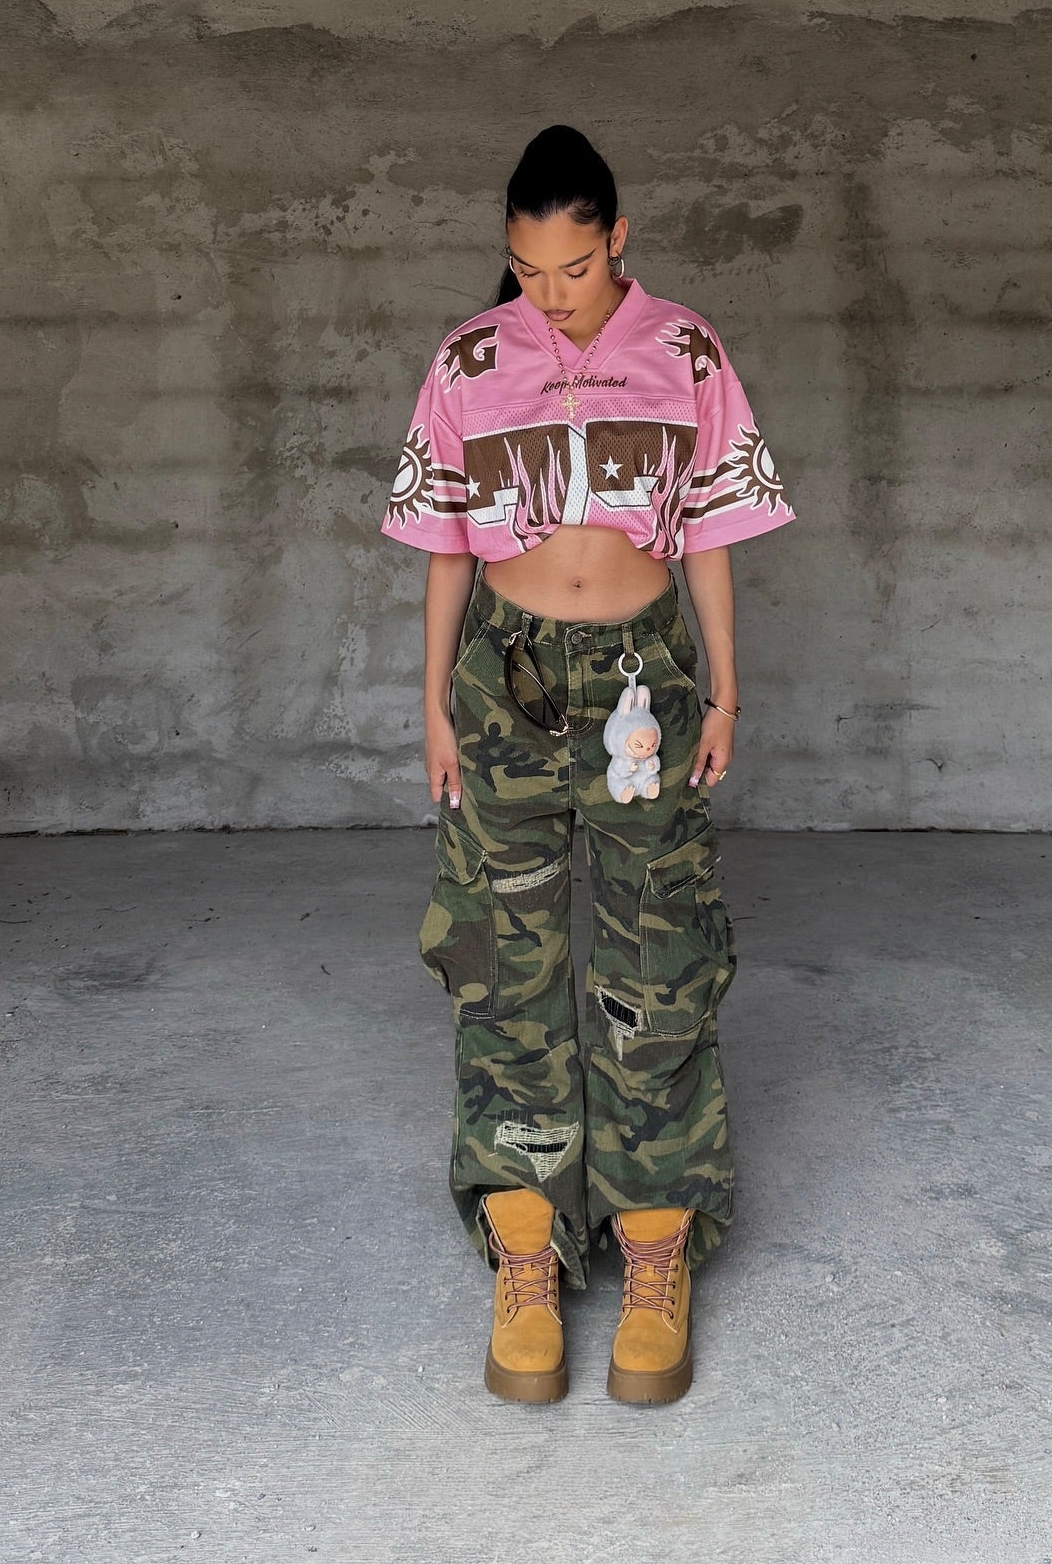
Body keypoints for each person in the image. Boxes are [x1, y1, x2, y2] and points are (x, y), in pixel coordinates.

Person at [380, 124, 796, 1404]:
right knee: (503, 957)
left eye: (571, 266)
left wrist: (723, 688)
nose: (548, 293)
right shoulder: (471, 357)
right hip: (503, 674)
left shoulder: (686, 350)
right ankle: (525, 1245)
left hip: (641, 681)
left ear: (618, 237)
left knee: (657, 950)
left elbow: (712, 527)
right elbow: (446, 542)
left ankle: (655, 1243)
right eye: (526, 268)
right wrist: (435, 703)